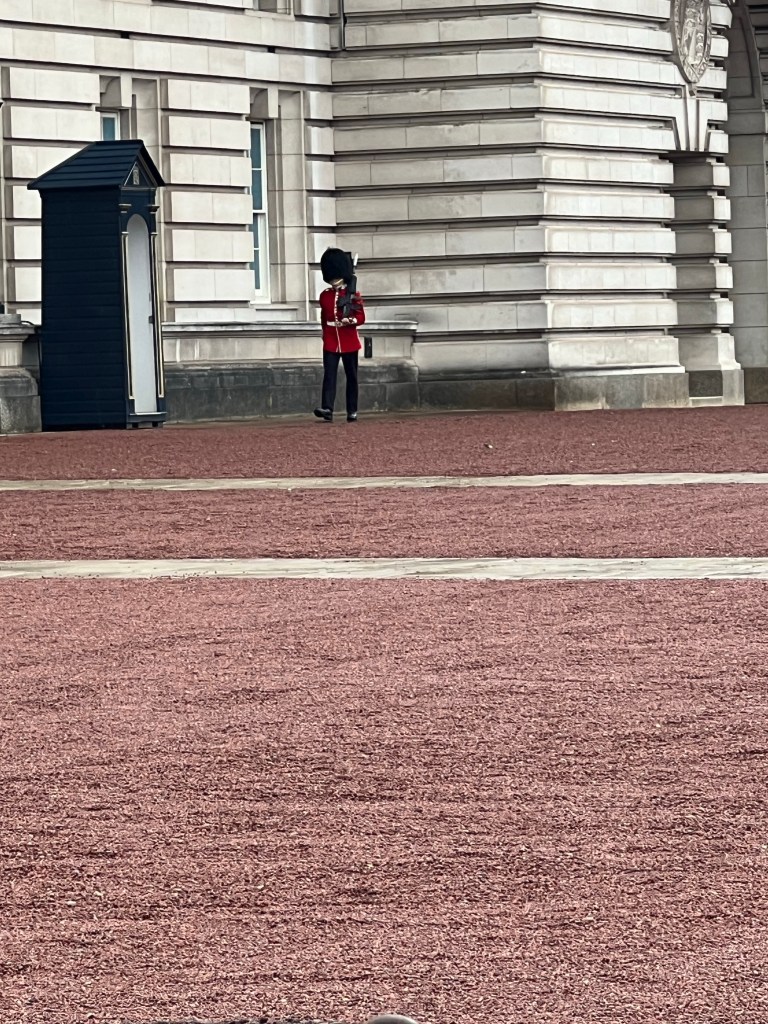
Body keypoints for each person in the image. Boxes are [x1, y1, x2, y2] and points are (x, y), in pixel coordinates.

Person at [314, 247, 366, 423]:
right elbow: (324, 317)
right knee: (329, 375)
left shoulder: (353, 295)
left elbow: (361, 317)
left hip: (349, 340)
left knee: (352, 377)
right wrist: (325, 335)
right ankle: (327, 408)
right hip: (331, 340)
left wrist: (349, 320)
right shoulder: (325, 296)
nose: (334, 281)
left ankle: (352, 410)